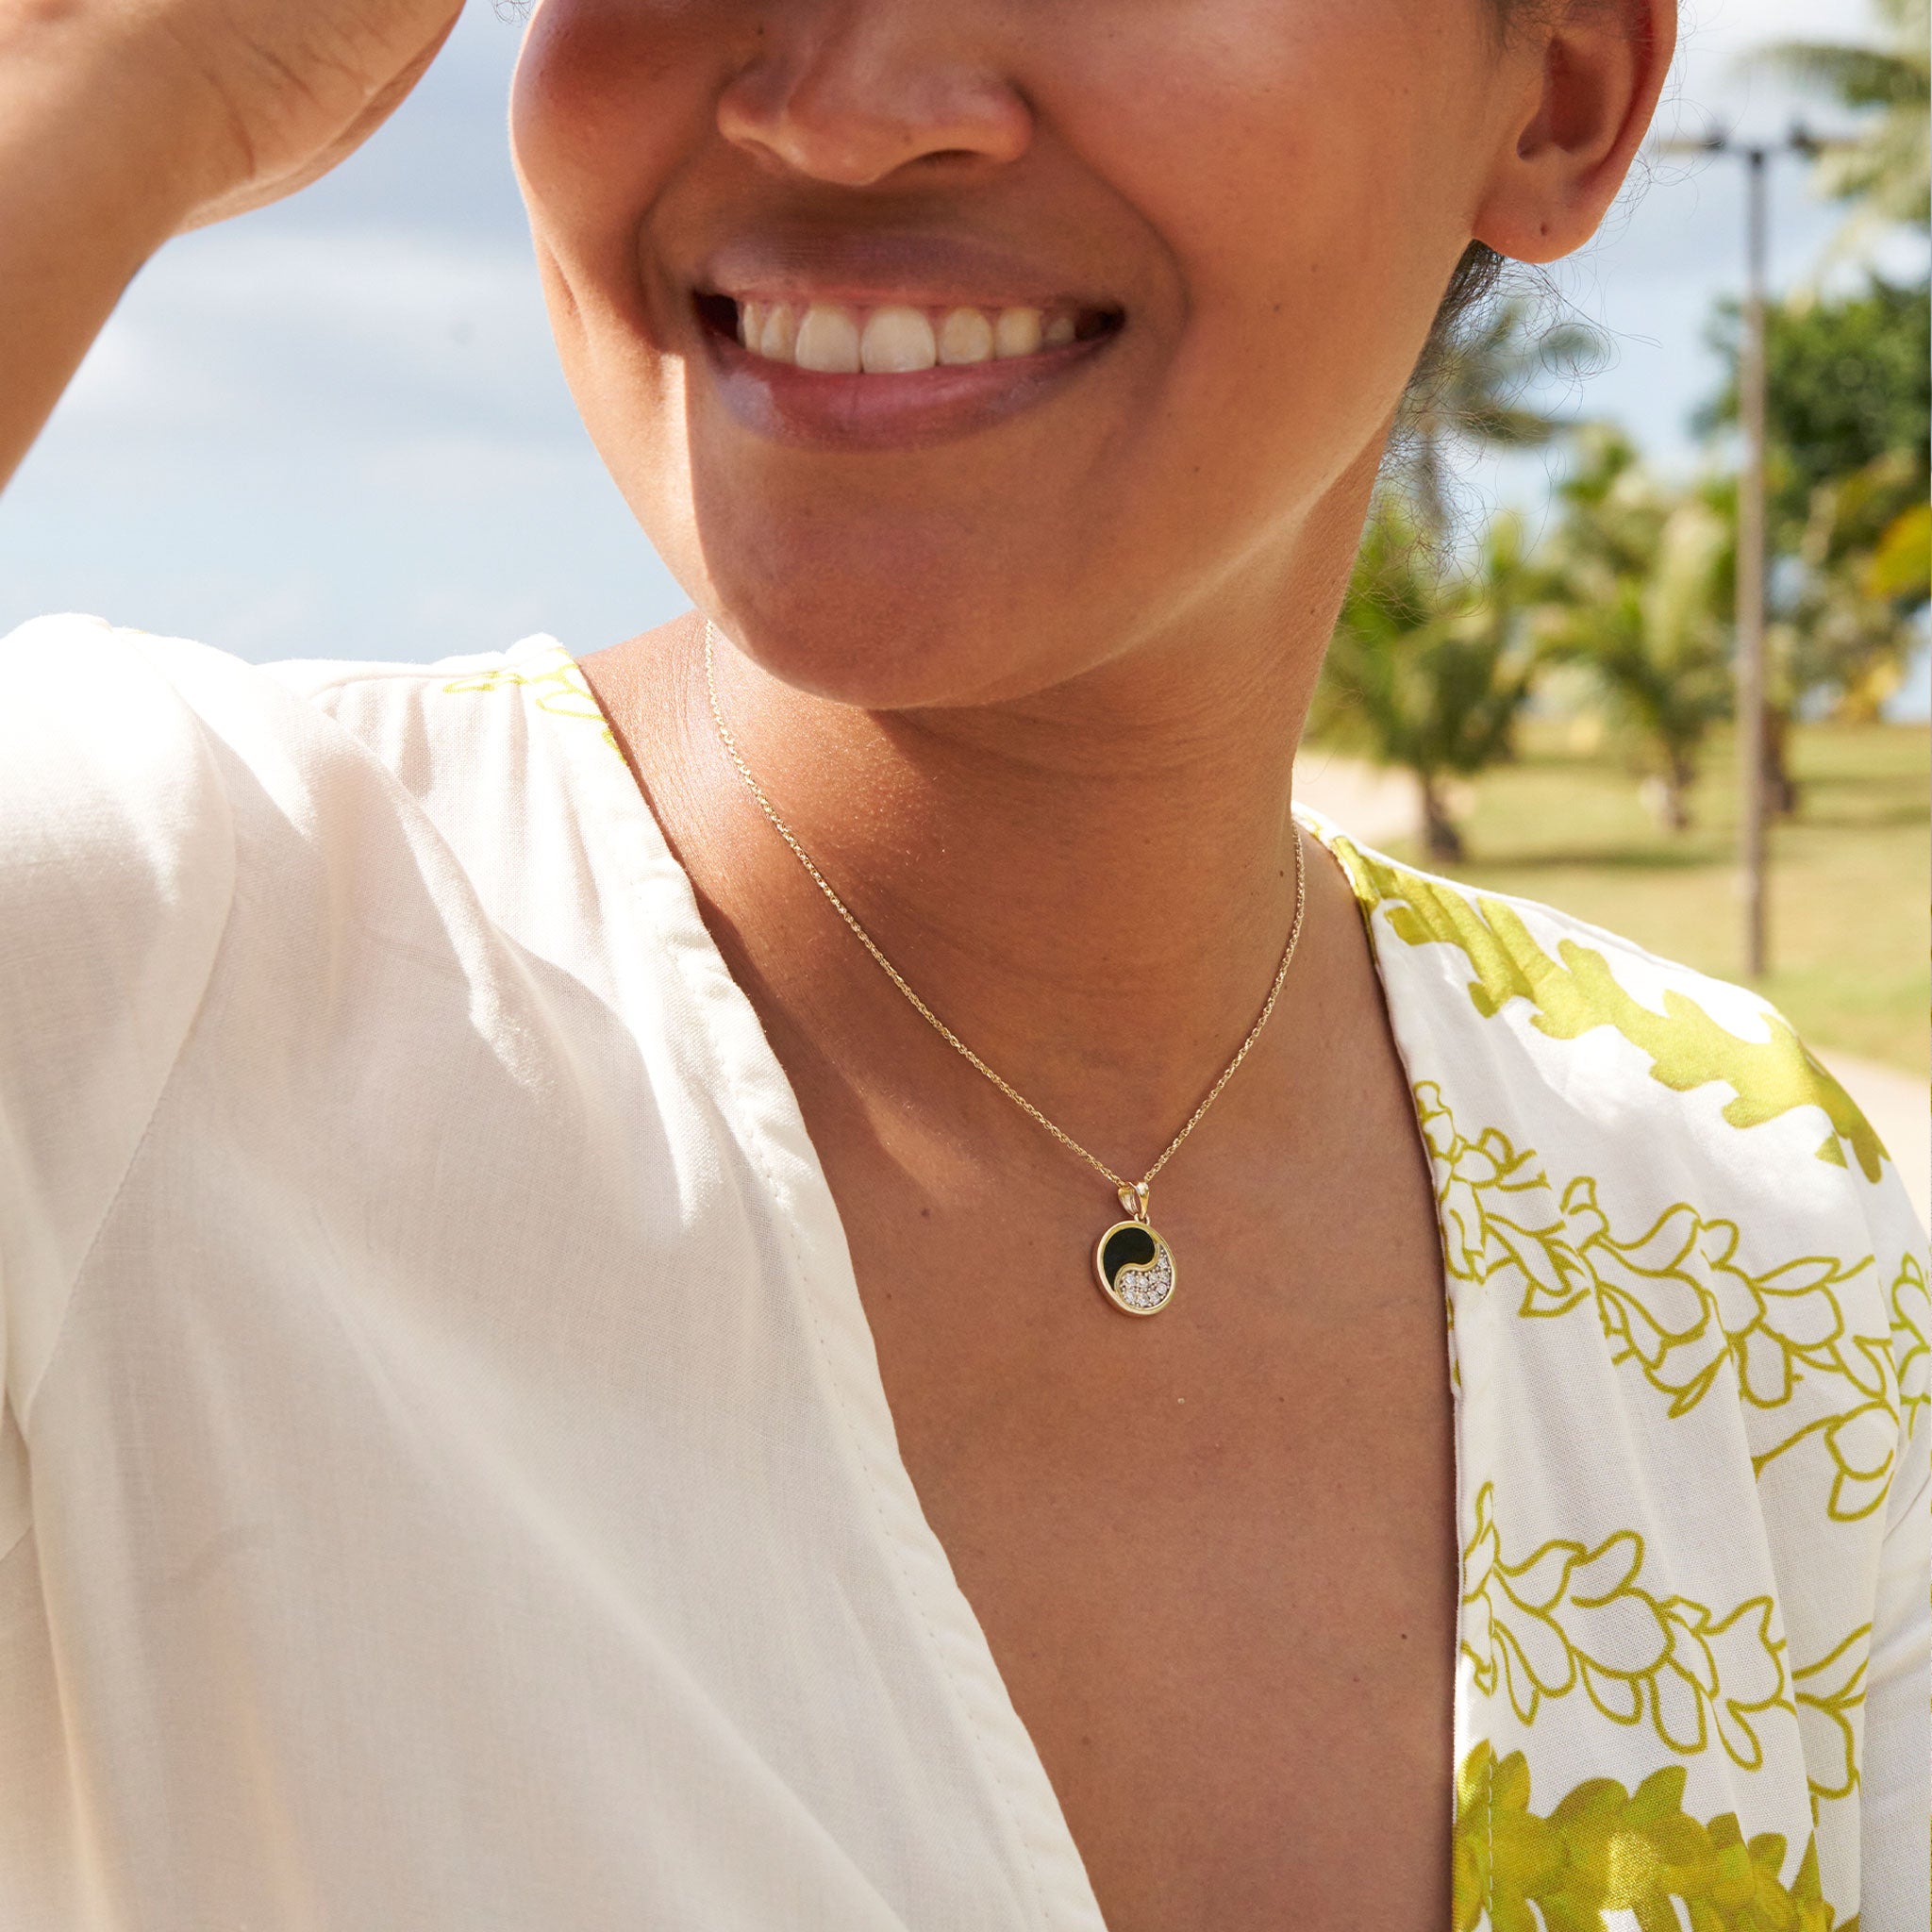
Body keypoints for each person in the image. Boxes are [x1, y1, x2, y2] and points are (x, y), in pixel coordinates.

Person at [0, 0, 1924, 1925]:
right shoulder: (138, 972)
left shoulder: (1764, 1255)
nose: (842, 113)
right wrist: (111, 81)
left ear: (1565, 94)